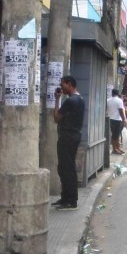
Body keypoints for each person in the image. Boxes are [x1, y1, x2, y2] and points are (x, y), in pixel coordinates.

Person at [52, 75, 85, 211]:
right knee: (65, 167)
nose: (61, 87)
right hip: (73, 136)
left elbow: (56, 118)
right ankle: (66, 197)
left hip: (68, 136)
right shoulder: (80, 98)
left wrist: (57, 100)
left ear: (69, 84)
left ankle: (71, 200)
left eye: (63, 84)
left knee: (66, 168)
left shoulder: (70, 101)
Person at [107, 88, 126, 154]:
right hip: (117, 120)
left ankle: (116, 148)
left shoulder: (108, 100)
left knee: (114, 135)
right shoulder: (119, 100)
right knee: (116, 135)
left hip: (110, 119)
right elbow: (121, 111)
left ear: (112, 93)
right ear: (117, 94)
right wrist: (124, 120)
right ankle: (115, 149)